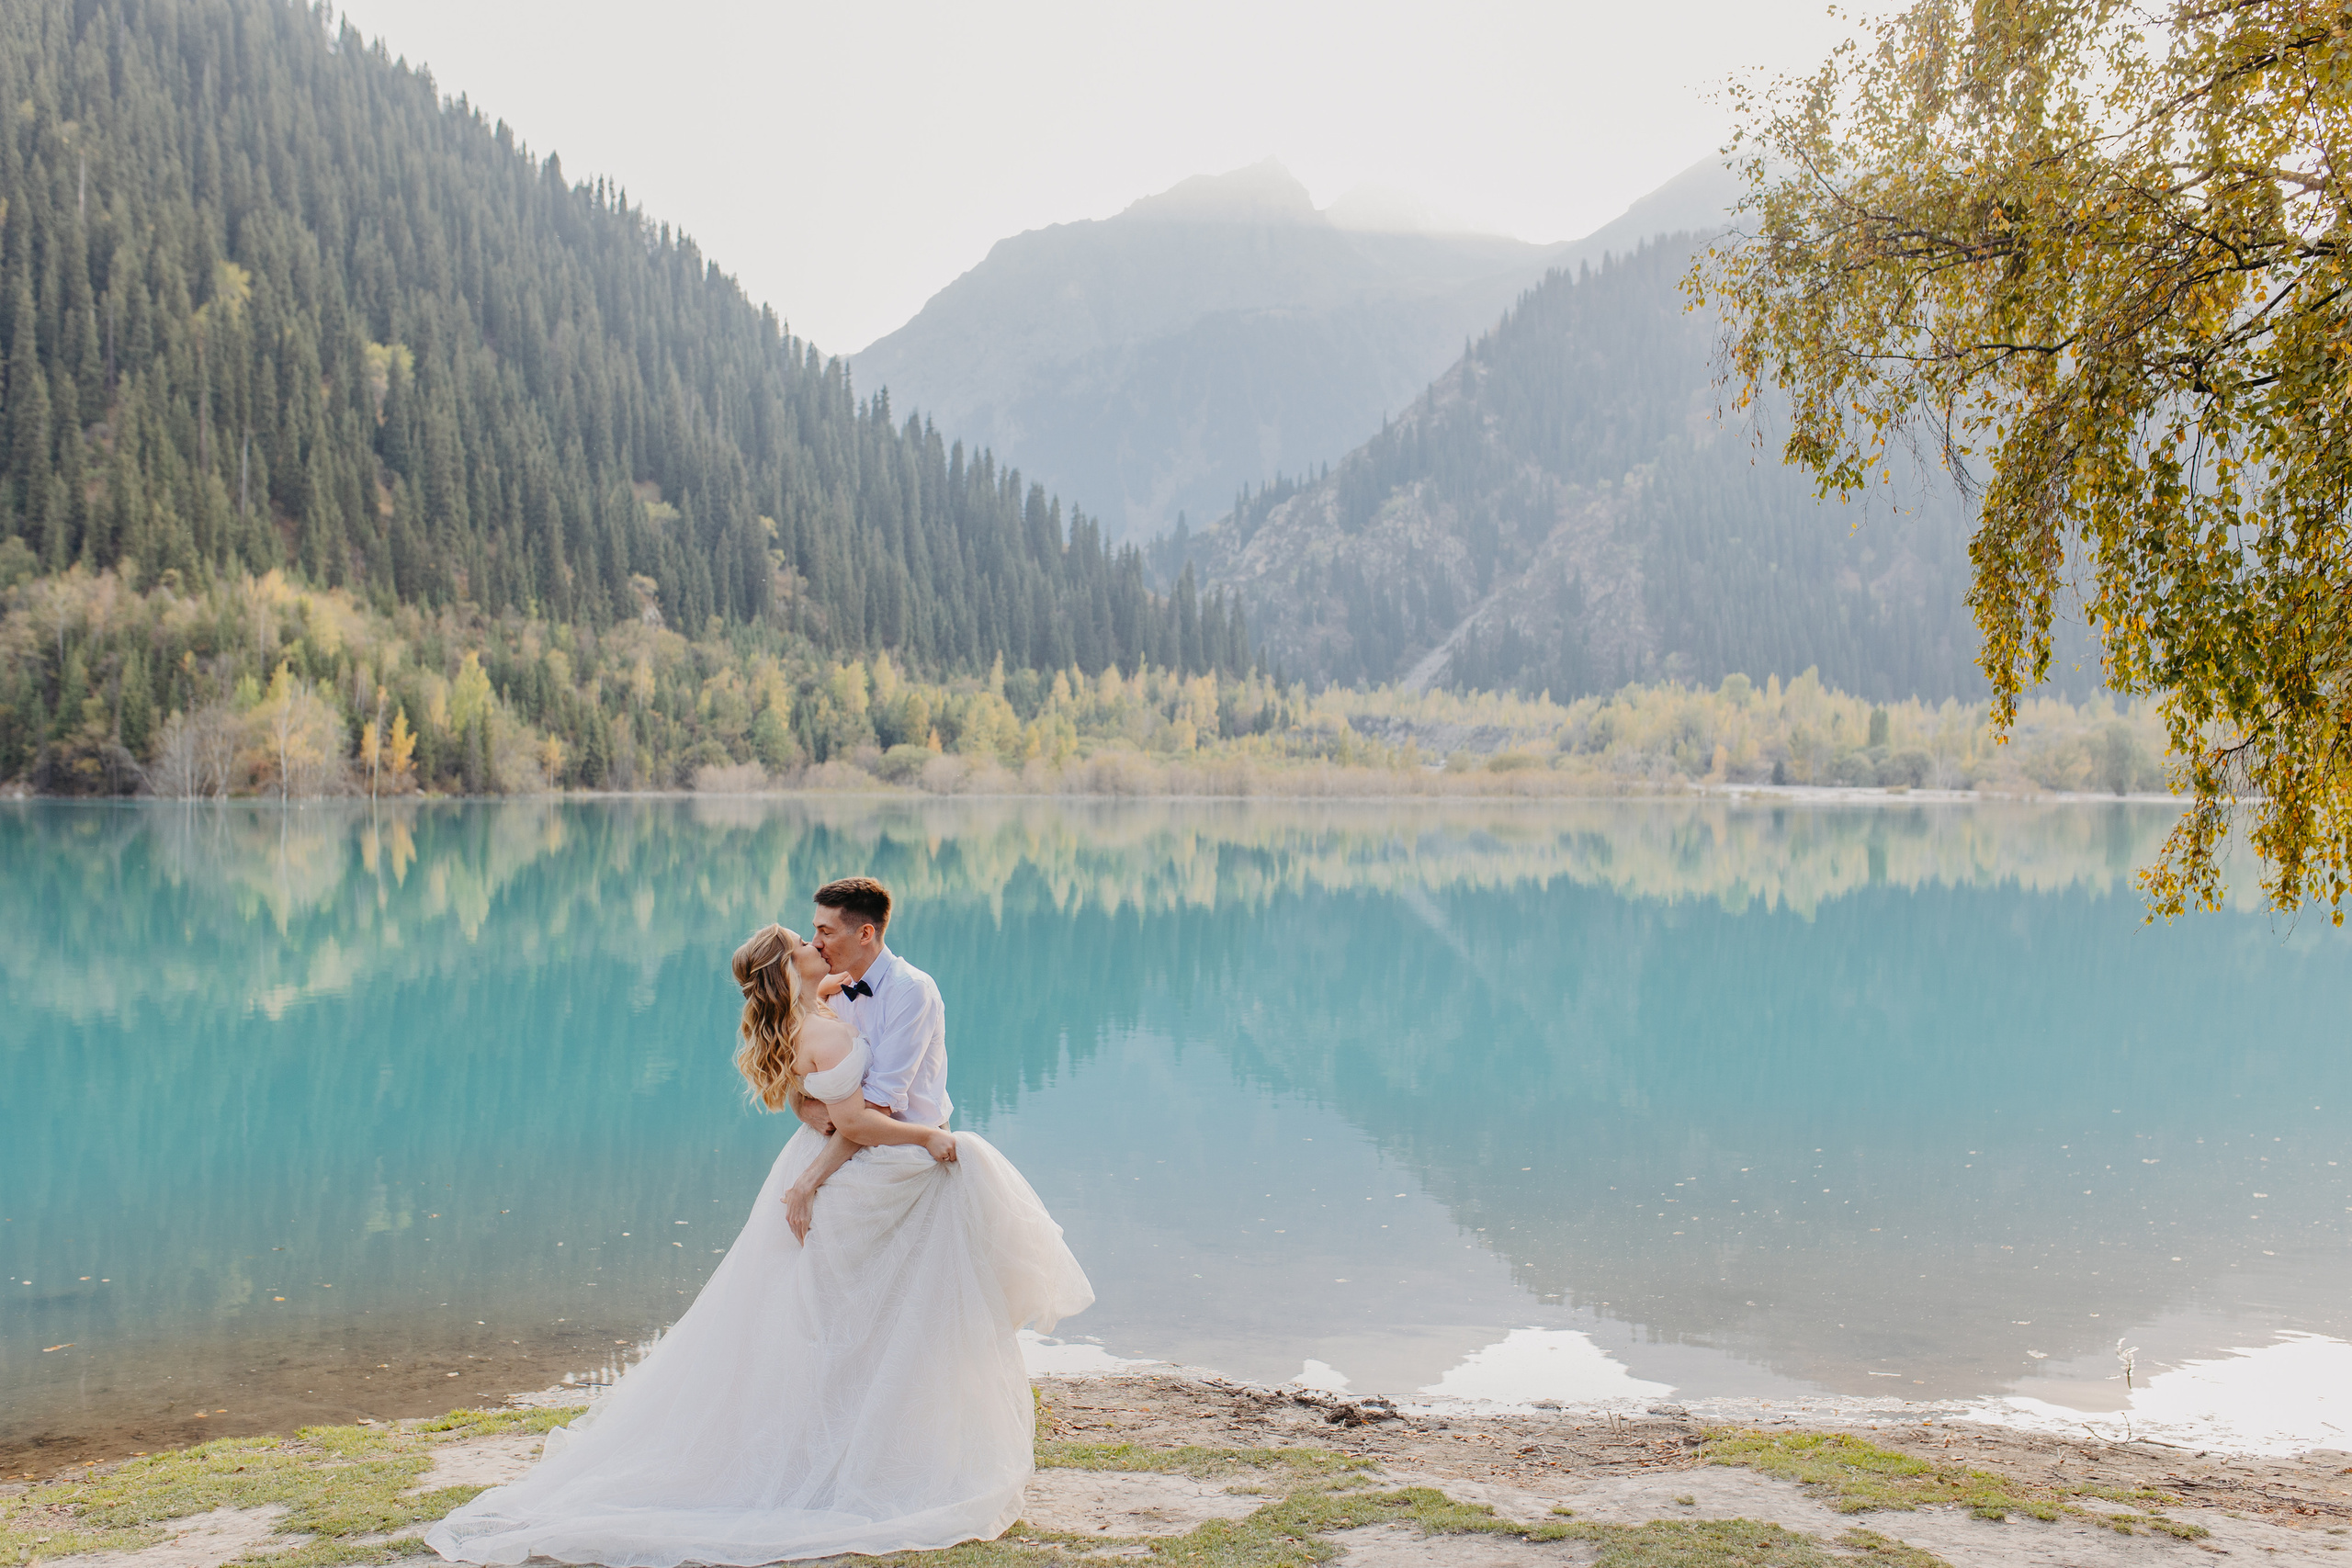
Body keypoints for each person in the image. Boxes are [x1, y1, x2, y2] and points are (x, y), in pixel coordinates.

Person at [424, 890, 1092, 1568]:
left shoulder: (902, 992)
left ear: (864, 933)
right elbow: (850, 1113)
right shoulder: (830, 1001)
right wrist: (850, 1148)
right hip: (864, 1165)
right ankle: (828, 1463)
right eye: (809, 935)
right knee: (831, 1319)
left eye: (824, 930)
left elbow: (852, 1100)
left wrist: (821, 1145)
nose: (817, 940)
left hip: (871, 1167)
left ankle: (875, 1451)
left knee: (882, 1318)